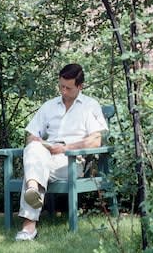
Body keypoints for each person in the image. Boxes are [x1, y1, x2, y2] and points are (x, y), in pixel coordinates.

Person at [15, 63, 108, 241]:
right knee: (33, 148)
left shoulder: (89, 106)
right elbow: (31, 135)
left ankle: (28, 227)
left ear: (80, 86)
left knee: (34, 169)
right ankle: (33, 189)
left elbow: (95, 141)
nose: (63, 91)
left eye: (68, 88)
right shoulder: (49, 106)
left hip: (71, 161)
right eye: (60, 86)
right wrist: (37, 141)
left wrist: (65, 148)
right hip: (46, 156)